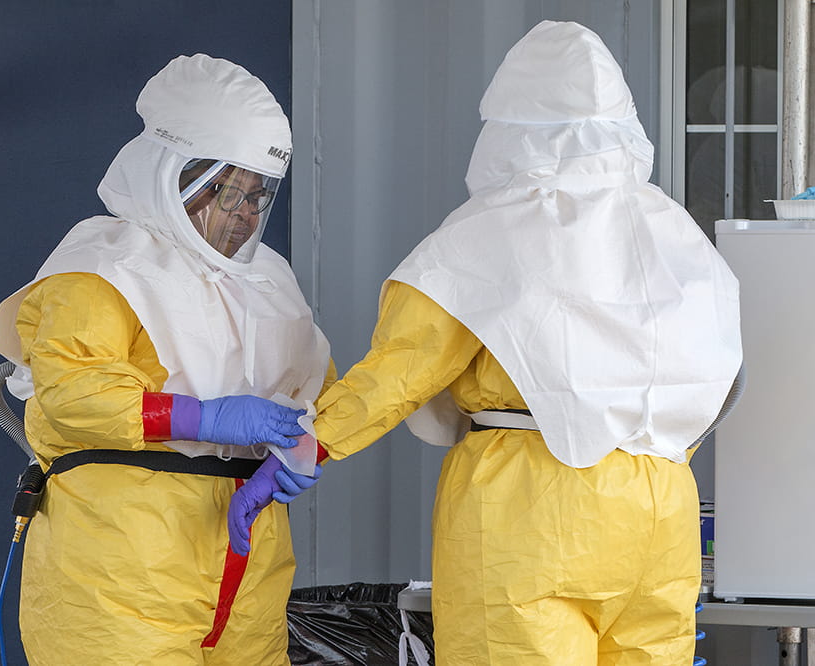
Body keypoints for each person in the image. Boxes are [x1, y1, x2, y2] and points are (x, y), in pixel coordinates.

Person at [230, 21, 742, 664]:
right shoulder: (676, 234)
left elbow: (400, 370)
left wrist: (304, 447)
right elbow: (726, 381)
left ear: (510, 127)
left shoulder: (492, 232)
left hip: (529, 506)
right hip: (662, 511)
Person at [0, 53, 332, 665]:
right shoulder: (103, 267)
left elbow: (321, 393)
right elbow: (76, 394)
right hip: (122, 558)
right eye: (227, 191)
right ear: (170, 174)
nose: (245, 214)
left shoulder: (268, 280)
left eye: (259, 195)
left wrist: (303, 452)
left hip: (248, 556)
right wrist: (205, 418)